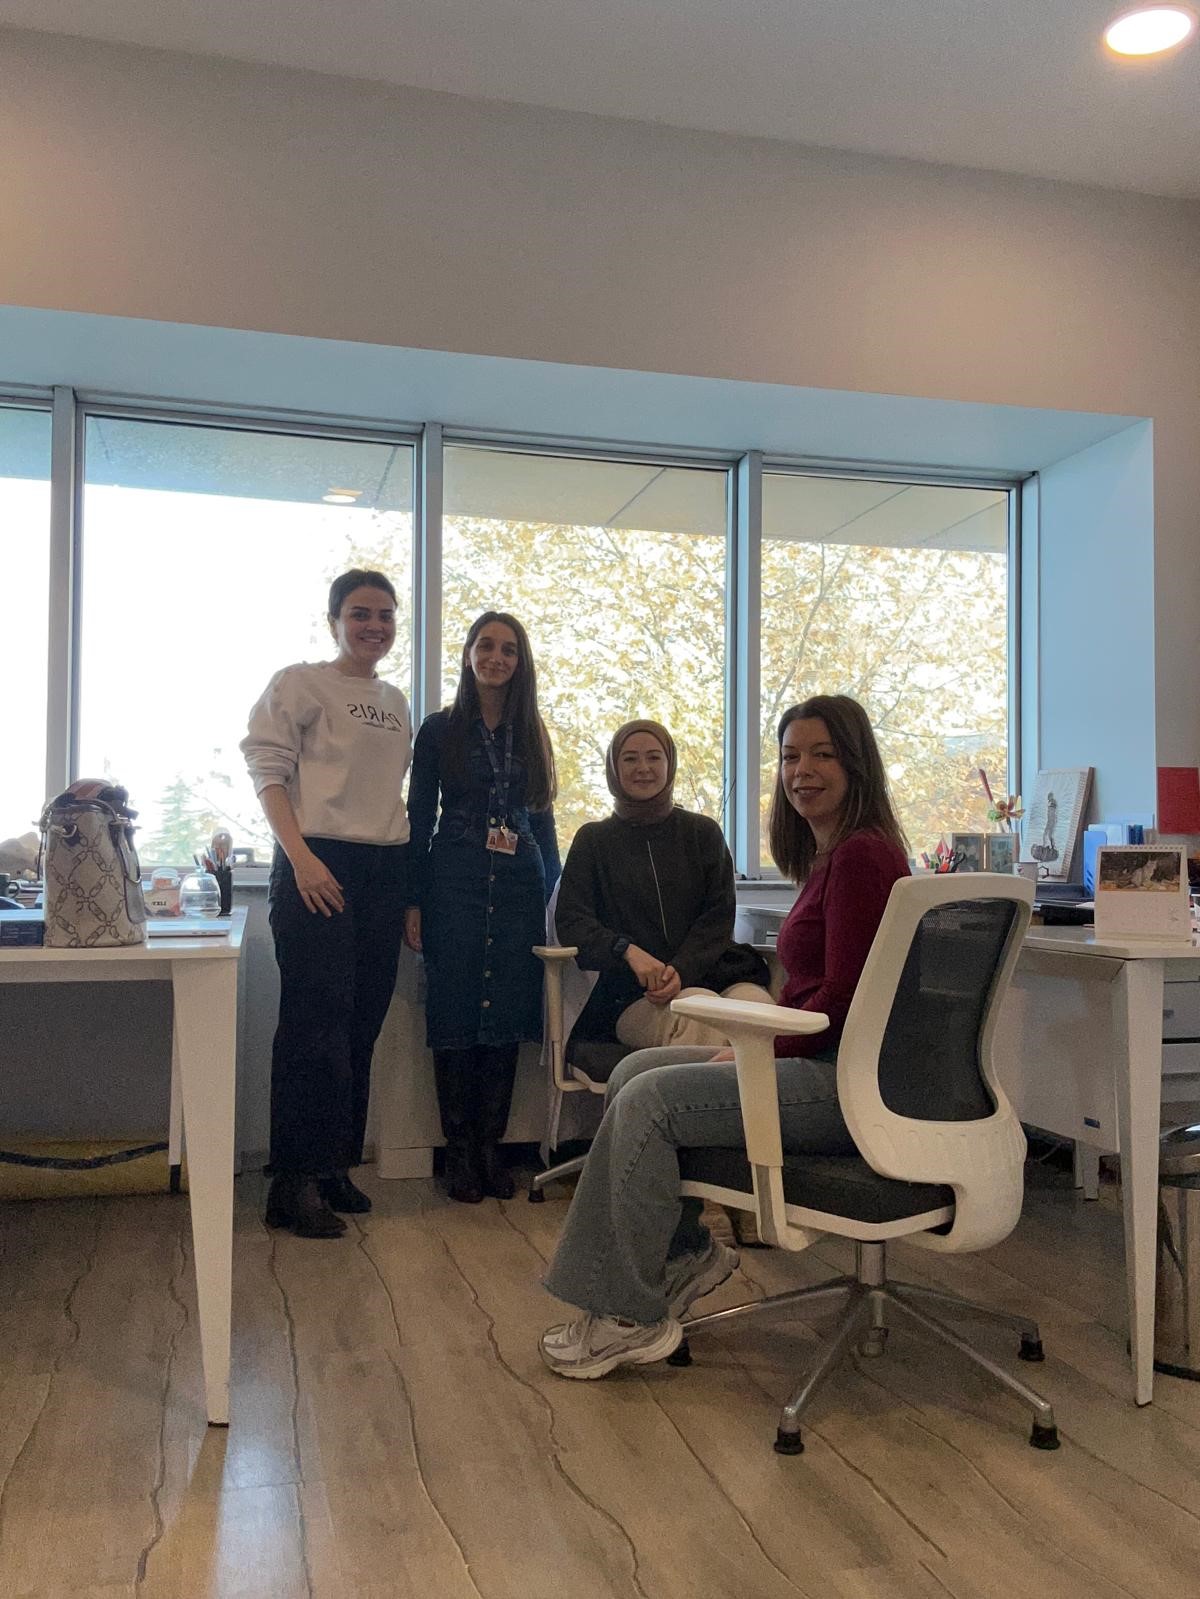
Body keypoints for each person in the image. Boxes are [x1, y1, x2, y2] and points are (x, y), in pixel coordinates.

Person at [539, 693, 909, 1378]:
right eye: (790, 756)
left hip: (844, 1080)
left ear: (856, 763)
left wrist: (756, 1049)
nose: (801, 770)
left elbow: (842, 1003)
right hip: (816, 1057)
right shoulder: (836, 855)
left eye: (822, 754)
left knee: (652, 1099)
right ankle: (684, 1252)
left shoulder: (861, 856)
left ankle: (623, 1314)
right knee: (637, 1072)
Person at [242, 569, 413, 1239]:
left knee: (360, 1025)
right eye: (361, 613)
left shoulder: (395, 700)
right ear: (334, 620)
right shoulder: (299, 683)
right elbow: (269, 774)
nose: (375, 625)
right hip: (316, 862)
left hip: (383, 867)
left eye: (386, 615)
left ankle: (334, 1164)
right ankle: (293, 1183)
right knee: (314, 1024)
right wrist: (301, 858)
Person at [405, 611, 560, 1204]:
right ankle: (460, 1151)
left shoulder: (532, 731)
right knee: (456, 1005)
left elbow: (542, 820)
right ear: (469, 653)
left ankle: (492, 1147)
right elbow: (420, 816)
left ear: (521, 662)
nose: (497, 657)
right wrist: (412, 898)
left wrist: (555, 898)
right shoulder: (439, 730)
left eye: (509, 649)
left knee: (507, 1011)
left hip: (520, 883)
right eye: (486, 646)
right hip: (455, 879)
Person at [555, 719, 771, 1049]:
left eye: (654, 757)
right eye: (630, 758)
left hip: (716, 974)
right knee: (697, 1016)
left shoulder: (703, 833)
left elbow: (718, 916)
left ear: (670, 764)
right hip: (633, 996)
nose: (643, 768)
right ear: (613, 768)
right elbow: (572, 921)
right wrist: (626, 951)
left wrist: (682, 970)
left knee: (761, 1015)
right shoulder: (593, 840)